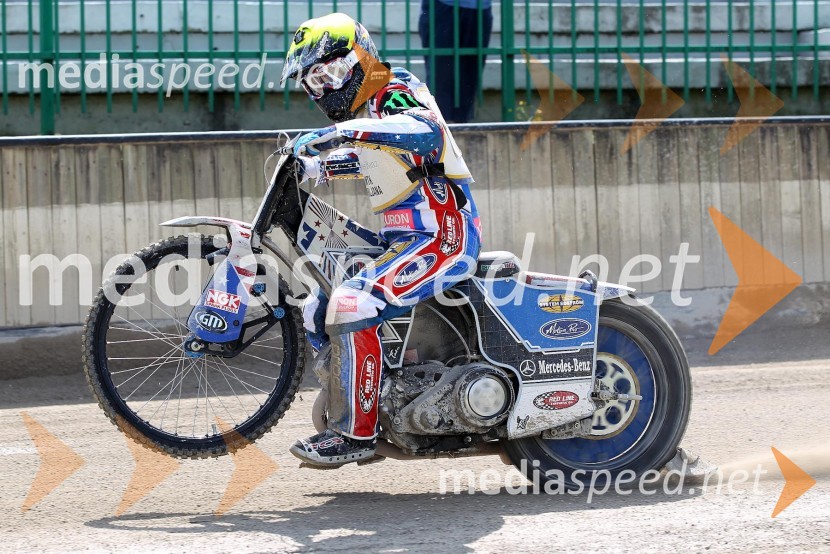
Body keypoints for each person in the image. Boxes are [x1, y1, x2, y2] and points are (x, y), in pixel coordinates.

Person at [280, 12, 482, 467]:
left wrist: (342, 132)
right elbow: (372, 157)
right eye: (313, 82)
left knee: (353, 301)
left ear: (359, 58)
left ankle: (355, 435)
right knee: (317, 301)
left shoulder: (395, 89)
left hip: (443, 236)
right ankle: (372, 402)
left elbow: (426, 132)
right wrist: (320, 167)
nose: (324, 89)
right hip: (400, 241)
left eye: (329, 73)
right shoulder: (367, 115)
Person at [418, 0, 493, 123]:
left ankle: (461, 128)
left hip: (479, 6)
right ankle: (439, 129)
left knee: (470, 75)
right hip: (442, 5)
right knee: (440, 74)